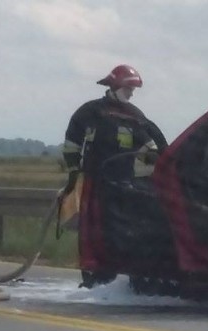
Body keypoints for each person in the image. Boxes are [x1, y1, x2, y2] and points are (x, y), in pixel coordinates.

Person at [62, 64, 167, 289]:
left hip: (125, 185)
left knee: (123, 233)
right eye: (128, 88)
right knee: (94, 232)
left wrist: (159, 164)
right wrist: (73, 171)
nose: (131, 93)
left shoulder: (136, 116)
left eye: (133, 90)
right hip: (96, 183)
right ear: (116, 86)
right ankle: (93, 277)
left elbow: (152, 147)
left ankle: (118, 276)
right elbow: (72, 143)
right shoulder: (90, 112)